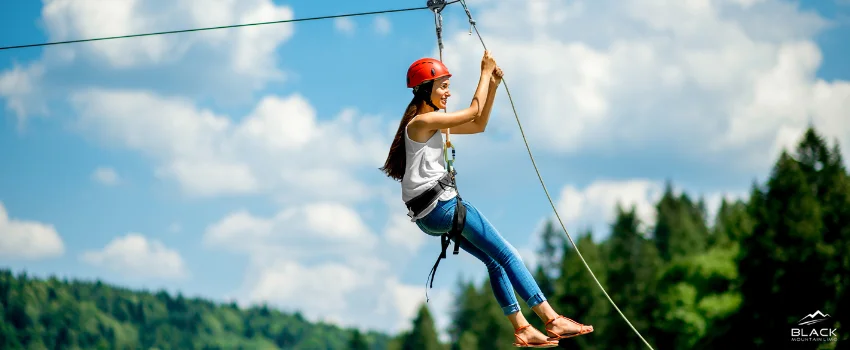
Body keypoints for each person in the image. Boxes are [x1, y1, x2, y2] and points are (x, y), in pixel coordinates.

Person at [379, 50, 594, 348]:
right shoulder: (422, 121)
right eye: (442, 86)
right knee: (508, 254)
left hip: (429, 216)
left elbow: (478, 124)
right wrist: (483, 72)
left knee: (494, 261)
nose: (447, 92)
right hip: (442, 208)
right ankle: (550, 317)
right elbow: (470, 112)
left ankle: (522, 328)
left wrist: (491, 86)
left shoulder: (430, 122)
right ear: (425, 90)